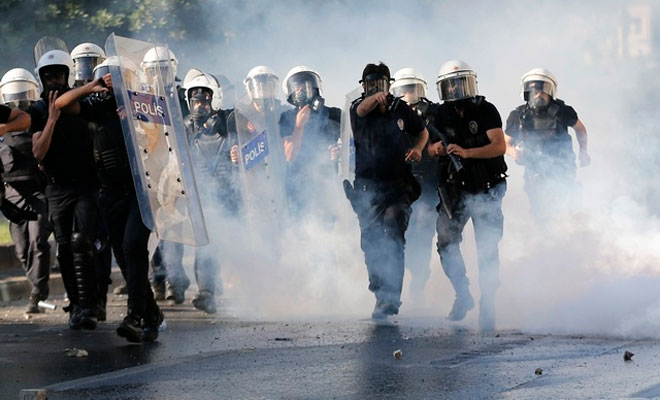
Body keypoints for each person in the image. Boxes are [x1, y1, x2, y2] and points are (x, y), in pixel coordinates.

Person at [54, 56, 164, 342]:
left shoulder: (146, 105)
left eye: (117, 77)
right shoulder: (97, 108)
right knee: (125, 257)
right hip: (111, 192)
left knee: (133, 247)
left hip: (143, 190)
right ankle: (150, 313)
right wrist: (91, 87)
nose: (111, 82)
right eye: (107, 77)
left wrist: (139, 119)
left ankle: (135, 317)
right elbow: (60, 104)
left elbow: (164, 143)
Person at [427, 60, 507, 332]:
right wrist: (436, 148)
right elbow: (426, 147)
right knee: (446, 243)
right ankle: (463, 294)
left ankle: (489, 302)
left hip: (487, 186)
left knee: (487, 246)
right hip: (455, 189)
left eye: (460, 82)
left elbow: (499, 146)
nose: (455, 89)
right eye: (450, 84)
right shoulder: (437, 115)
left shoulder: (485, 110)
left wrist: (467, 153)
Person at [345, 62, 428, 320]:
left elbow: (422, 131)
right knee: (371, 242)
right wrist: (374, 99)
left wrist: (418, 149)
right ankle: (380, 291)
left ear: (389, 84)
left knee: (393, 234)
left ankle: (391, 298)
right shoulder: (358, 109)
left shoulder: (400, 109)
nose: (377, 88)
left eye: (381, 84)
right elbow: (361, 109)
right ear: (364, 86)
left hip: (398, 186)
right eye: (371, 84)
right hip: (368, 188)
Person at [30, 37, 99, 330]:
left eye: (59, 74)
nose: (54, 80)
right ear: (41, 78)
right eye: (48, 75)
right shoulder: (38, 109)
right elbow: (38, 151)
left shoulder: (81, 102)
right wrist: (52, 119)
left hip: (85, 183)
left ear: (68, 75)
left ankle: (90, 305)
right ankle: (76, 306)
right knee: (64, 247)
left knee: (82, 240)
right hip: (57, 187)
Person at [181, 68, 241, 313]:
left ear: (214, 98)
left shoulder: (230, 120)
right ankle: (207, 292)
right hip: (201, 194)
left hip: (230, 191)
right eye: (194, 101)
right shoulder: (185, 127)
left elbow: (255, 136)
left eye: (204, 100)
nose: (199, 106)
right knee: (204, 243)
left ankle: (248, 286)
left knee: (229, 243)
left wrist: (241, 152)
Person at [504, 68, 589, 221]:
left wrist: (583, 151)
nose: (538, 95)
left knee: (563, 209)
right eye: (534, 91)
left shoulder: (563, 111)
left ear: (550, 92)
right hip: (534, 171)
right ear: (527, 92)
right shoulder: (518, 116)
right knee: (540, 213)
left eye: (543, 91)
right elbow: (505, 143)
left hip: (562, 167)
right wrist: (513, 152)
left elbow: (581, 130)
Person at [0, 68, 51, 314]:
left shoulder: (38, 120)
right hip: (12, 193)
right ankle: (36, 285)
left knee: (39, 240)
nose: (19, 99)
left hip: (38, 191)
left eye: (24, 93)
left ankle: (37, 292)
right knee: (22, 249)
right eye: (14, 94)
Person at [390, 67, 437, 303]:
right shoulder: (389, 119)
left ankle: (419, 282)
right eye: (404, 90)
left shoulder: (432, 116)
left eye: (414, 89)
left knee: (423, 228)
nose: (409, 95)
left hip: (427, 186)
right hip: (400, 185)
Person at [278, 66, 341, 215]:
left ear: (315, 87)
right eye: (296, 87)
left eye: (305, 85)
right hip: (297, 186)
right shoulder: (287, 117)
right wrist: (299, 126)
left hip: (327, 184)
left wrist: (339, 150)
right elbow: (289, 155)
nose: (301, 90)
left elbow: (350, 145)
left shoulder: (334, 114)